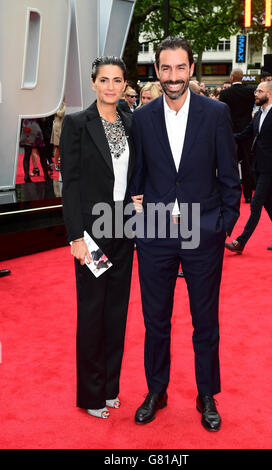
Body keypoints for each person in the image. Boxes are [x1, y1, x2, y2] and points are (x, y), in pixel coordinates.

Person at [130, 36, 241, 432]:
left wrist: (222, 224)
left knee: (205, 320)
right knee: (155, 319)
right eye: (166, 68)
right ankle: (156, 390)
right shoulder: (141, 118)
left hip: (203, 231)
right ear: (156, 71)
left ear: (191, 68)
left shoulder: (216, 113)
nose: (173, 76)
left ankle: (206, 393)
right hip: (156, 233)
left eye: (180, 67)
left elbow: (229, 174)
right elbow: (136, 176)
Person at [60, 56, 135, 419]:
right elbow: (69, 183)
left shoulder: (129, 121)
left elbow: (133, 174)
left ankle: (109, 388)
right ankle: (90, 395)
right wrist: (75, 236)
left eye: (116, 80)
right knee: (92, 312)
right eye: (103, 79)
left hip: (124, 227)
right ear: (93, 83)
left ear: (124, 85)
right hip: (91, 233)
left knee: (116, 311)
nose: (110, 86)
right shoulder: (77, 124)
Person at [225, 80, 272, 254]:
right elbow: (244, 134)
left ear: (269, 94)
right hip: (258, 166)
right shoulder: (258, 115)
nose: (255, 94)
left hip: (271, 168)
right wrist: (224, 137)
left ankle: (240, 241)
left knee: (256, 204)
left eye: (259, 91)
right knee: (269, 205)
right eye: (256, 91)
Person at [219, 68, 256, 203]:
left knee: (230, 164)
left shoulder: (225, 93)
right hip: (247, 131)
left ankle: (231, 194)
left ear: (232, 77)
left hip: (231, 132)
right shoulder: (250, 92)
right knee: (247, 163)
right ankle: (248, 195)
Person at [51, 98, 66, 171]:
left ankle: (62, 163)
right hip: (58, 126)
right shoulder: (59, 103)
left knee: (63, 146)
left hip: (64, 126)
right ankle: (56, 164)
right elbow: (60, 113)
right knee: (57, 146)